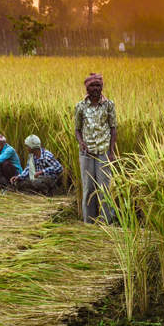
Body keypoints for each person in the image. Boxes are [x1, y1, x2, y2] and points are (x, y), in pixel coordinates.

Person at [74, 72, 117, 222]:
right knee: (88, 188)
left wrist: (111, 151)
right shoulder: (80, 106)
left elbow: (113, 128)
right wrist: (81, 142)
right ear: (87, 88)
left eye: (98, 85)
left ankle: (106, 221)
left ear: (102, 87)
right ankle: (89, 222)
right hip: (86, 153)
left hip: (103, 151)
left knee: (104, 187)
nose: (95, 88)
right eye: (92, 85)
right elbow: (77, 129)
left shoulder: (109, 105)